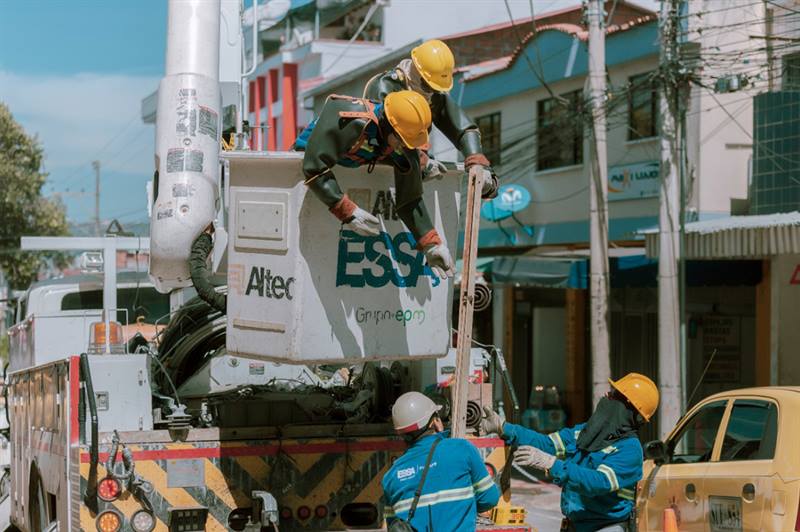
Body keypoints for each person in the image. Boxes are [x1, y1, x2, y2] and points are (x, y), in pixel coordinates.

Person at [297, 90, 454, 278]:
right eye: (402, 141)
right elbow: (314, 166)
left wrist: (431, 244)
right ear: (387, 125)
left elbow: (409, 200)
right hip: (302, 177)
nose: (403, 147)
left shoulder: (403, 141)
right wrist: (346, 210)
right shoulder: (350, 120)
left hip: (346, 169)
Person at [481, 373, 660, 532]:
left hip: (606, 527)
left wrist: (553, 465)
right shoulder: (586, 432)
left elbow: (598, 482)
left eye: (614, 395)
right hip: (575, 525)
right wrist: (503, 427)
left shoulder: (629, 450)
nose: (606, 395)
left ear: (627, 410)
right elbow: (547, 444)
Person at [363, 39, 498, 197]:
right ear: (417, 71)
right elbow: (385, 134)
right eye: (429, 85)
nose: (432, 91)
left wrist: (477, 162)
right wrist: (420, 160)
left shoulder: (432, 95)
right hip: (380, 169)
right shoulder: (386, 86)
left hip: (414, 170)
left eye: (436, 88)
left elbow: (463, 128)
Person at [382, 392, 500, 531]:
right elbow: (490, 498)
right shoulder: (462, 449)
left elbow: (393, 525)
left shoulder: (390, 477)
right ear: (435, 422)